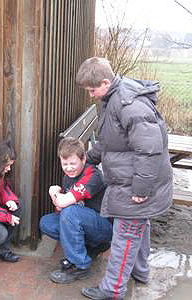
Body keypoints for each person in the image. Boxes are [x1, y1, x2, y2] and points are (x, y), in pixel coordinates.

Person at [75, 57, 173, 300]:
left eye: (92, 90)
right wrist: (90, 157)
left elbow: (149, 149)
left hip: (137, 184)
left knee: (125, 237)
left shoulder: (128, 104)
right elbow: (112, 139)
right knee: (139, 228)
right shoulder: (114, 99)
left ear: (106, 82)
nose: (90, 95)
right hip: (134, 179)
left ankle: (112, 289)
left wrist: (141, 189)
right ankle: (140, 272)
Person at [39, 137, 112, 284]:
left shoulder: (92, 175)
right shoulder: (68, 178)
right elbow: (60, 208)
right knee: (46, 222)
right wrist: (59, 199)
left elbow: (63, 202)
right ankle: (89, 248)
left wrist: (53, 192)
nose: (69, 168)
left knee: (71, 213)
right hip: (84, 222)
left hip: (104, 226)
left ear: (83, 159)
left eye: (73, 163)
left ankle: (80, 266)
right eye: (64, 163)